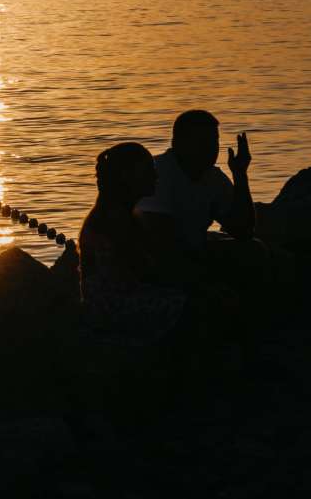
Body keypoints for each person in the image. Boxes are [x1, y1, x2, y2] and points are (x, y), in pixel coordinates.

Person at [77, 142, 187, 346]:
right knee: (196, 304)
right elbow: (143, 272)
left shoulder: (119, 214)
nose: (155, 176)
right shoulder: (115, 219)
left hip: (112, 303)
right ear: (127, 176)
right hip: (114, 309)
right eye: (148, 170)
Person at [134, 109, 255, 287]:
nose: (211, 149)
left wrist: (240, 175)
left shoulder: (213, 178)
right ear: (178, 143)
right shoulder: (158, 174)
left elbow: (243, 230)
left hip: (193, 255)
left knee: (254, 251)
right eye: (202, 142)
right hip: (154, 265)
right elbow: (160, 241)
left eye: (214, 142)